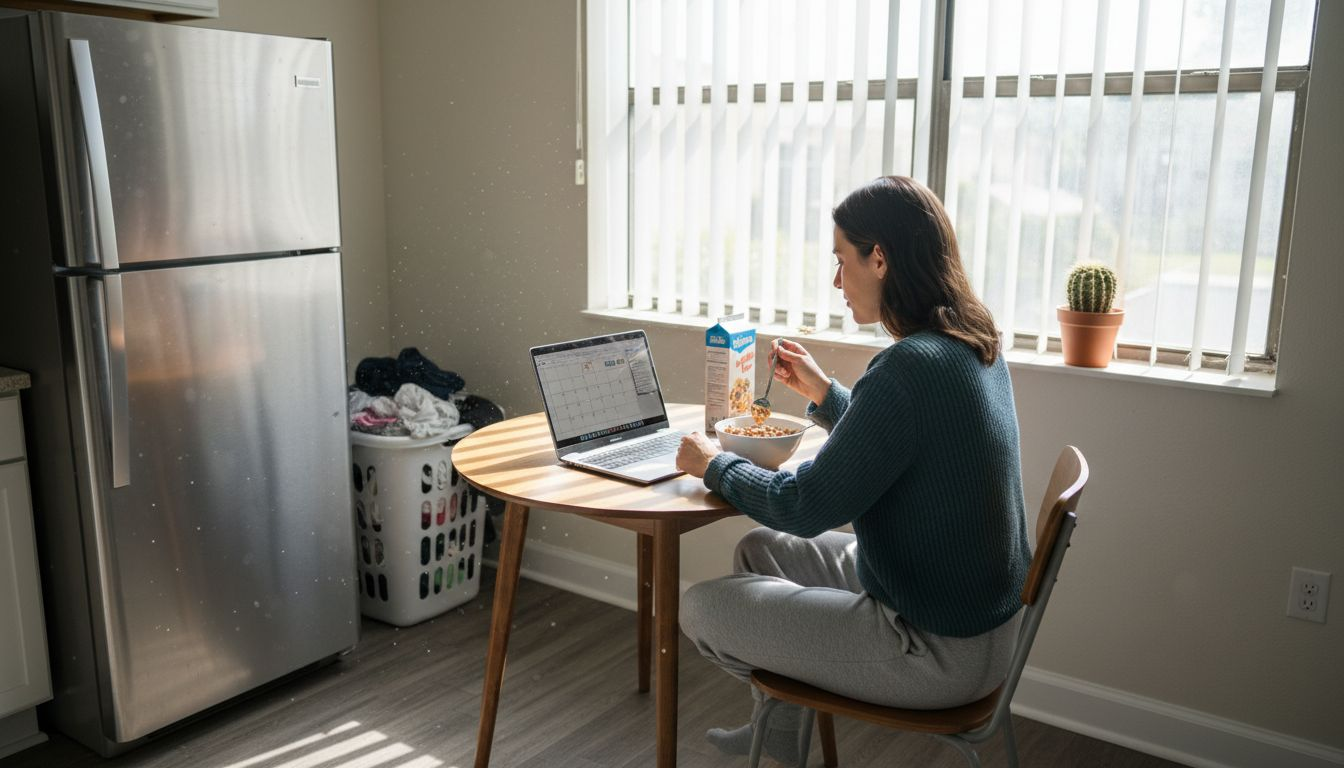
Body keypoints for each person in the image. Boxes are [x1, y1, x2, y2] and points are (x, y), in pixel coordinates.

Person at [675, 175, 1031, 763]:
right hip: (984, 629)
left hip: (934, 649)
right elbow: (903, 439)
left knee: (701, 607)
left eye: (842, 261)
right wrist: (824, 392)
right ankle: (782, 738)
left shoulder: (909, 367)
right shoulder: (971, 341)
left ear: (881, 258)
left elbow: (807, 506)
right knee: (759, 552)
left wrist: (713, 467)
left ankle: (782, 734)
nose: (837, 281)